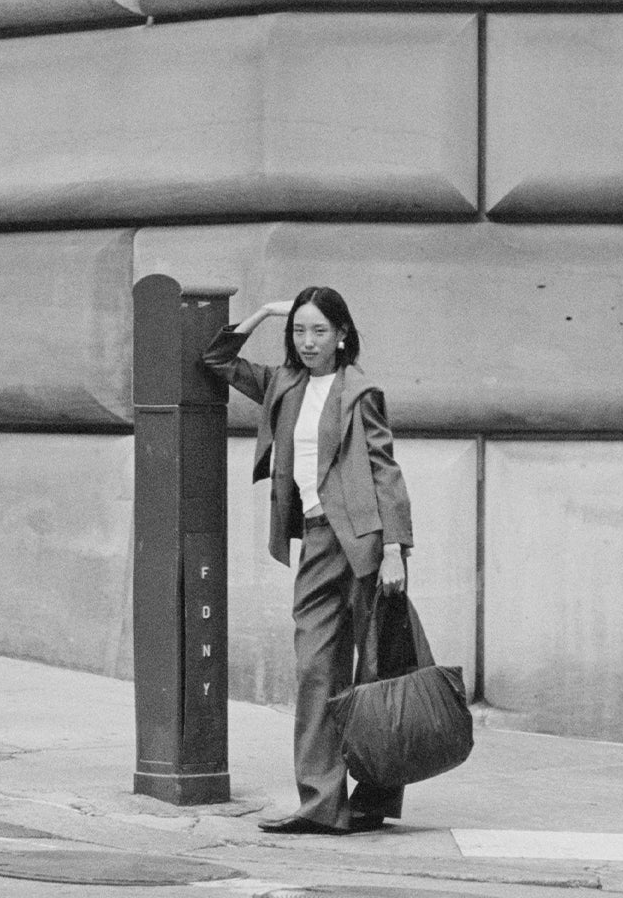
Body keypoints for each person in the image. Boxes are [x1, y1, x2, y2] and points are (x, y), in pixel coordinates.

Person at [200, 285, 414, 835]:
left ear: (342, 335)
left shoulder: (359, 391)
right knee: (316, 669)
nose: (308, 340)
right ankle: (321, 803)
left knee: (373, 675)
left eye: (320, 330)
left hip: (365, 545)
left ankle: (370, 801)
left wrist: (394, 549)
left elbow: (385, 470)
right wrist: (266, 314)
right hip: (319, 541)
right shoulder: (283, 383)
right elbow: (215, 359)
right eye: (299, 330)